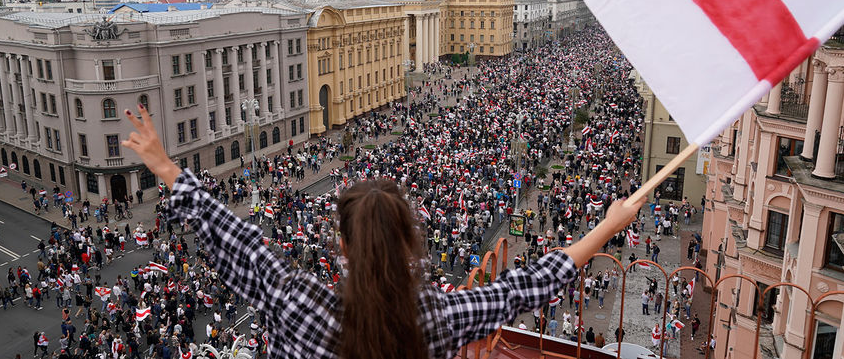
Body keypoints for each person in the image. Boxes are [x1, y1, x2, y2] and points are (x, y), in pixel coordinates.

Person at [120, 103, 643, 359]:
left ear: (342, 244)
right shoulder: (436, 315)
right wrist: (607, 226)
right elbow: (526, 286)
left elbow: (237, 238)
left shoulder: (296, 300)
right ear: (410, 240)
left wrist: (167, 168)